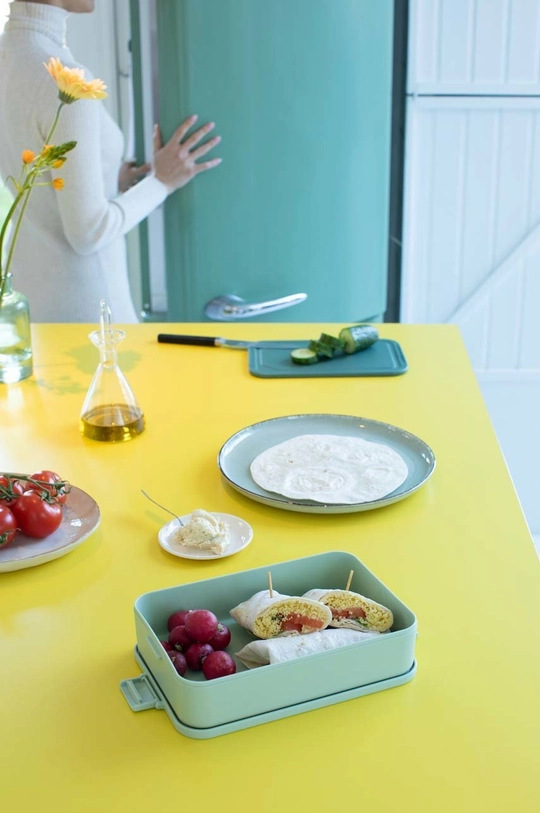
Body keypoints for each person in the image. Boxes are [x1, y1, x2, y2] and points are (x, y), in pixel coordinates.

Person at [0, 0, 222, 322]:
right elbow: (89, 232)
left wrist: (105, 176)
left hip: (34, 306)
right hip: (92, 320)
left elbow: (27, 160)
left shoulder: (11, 57)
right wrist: (161, 181)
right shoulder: (62, 81)